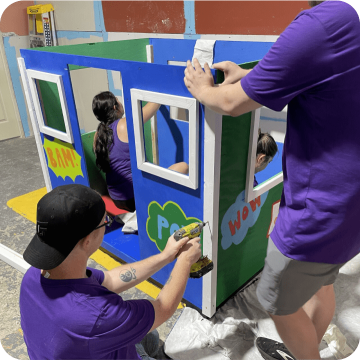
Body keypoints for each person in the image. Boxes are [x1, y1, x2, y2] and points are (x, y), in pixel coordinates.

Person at [184, 1, 360, 359]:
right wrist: (254, 76)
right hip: (350, 207)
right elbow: (320, 68)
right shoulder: (349, 24)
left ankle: (305, 352)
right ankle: (308, 342)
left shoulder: (329, 19)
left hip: (320, 210)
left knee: (276, 302)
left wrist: (203, 90)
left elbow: (231, 103)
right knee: (322, 282)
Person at [20, 184, 201, 360]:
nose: (107, 224)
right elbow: (163, 308)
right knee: (145, 328)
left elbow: (111, 280)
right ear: (88, 239)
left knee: (147, 332)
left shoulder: (35, 275)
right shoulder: (98, 316)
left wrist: (165, 256)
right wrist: (184, 261)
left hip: (83, 348)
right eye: (105, 221)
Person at [92, 91, 188, 212]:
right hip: (134, 198)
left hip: (116, 198)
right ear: (115, 107)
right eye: (118, 100)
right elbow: (155, 102)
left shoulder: (98, 135)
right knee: (183, 167)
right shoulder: (124, 124)